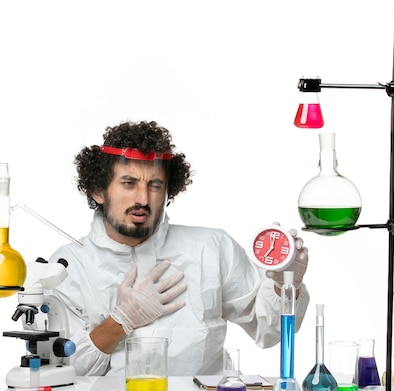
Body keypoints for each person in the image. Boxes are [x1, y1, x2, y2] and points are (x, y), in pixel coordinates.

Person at [44, 120, 310, 376]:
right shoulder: (66, 267)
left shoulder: (212, 248)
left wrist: (287, 285)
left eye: (155, 185)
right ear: (98, 191)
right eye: (129, 183)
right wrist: (120, 321)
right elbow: (66, 372)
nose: (143, 199)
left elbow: (270, 331)